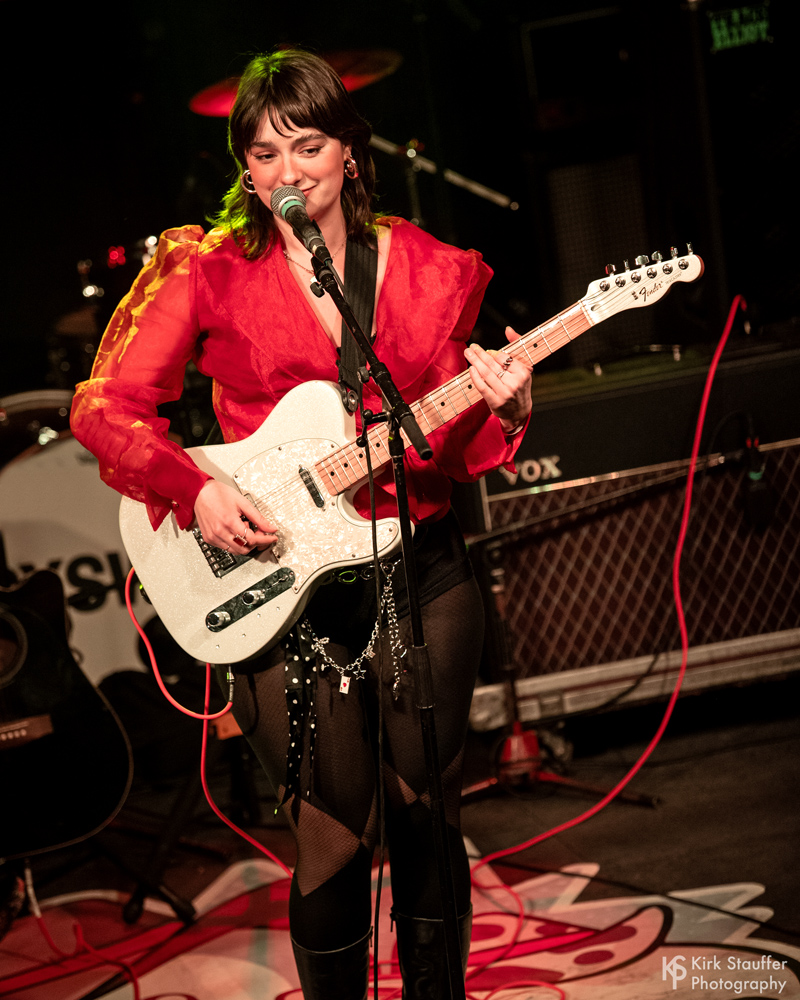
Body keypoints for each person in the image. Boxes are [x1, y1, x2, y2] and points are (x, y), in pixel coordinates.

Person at [71, 47, 532, 1000]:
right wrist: (192, 489)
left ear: (349, 153)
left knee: (428, 818)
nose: (289, 170)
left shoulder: (423, 266)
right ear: (245, 169)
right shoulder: (205, 268)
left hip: (420, 567)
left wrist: (508, 406)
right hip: (283, 585)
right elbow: (105, 407)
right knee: (332, 834)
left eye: (309, 146)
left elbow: (447, 444)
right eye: (265, 153)